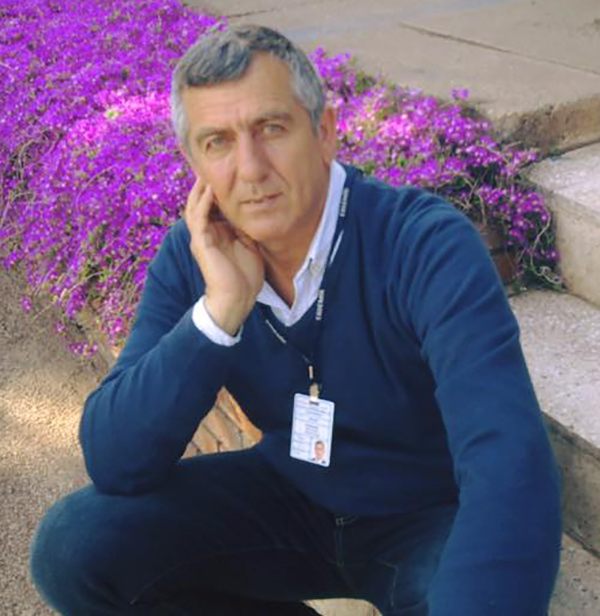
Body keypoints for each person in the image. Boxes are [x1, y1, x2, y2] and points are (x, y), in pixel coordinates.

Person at [31, 25, 562, 616]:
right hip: (292, 498)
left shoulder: (423, 244)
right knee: (74, 549)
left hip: (424, 519)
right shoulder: (195, 255)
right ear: (194, 162)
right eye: (218, 142)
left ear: (325, 131)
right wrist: (220, 311)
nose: (251, 168)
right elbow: (115, 458)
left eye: (271, 128)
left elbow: (507, 459)